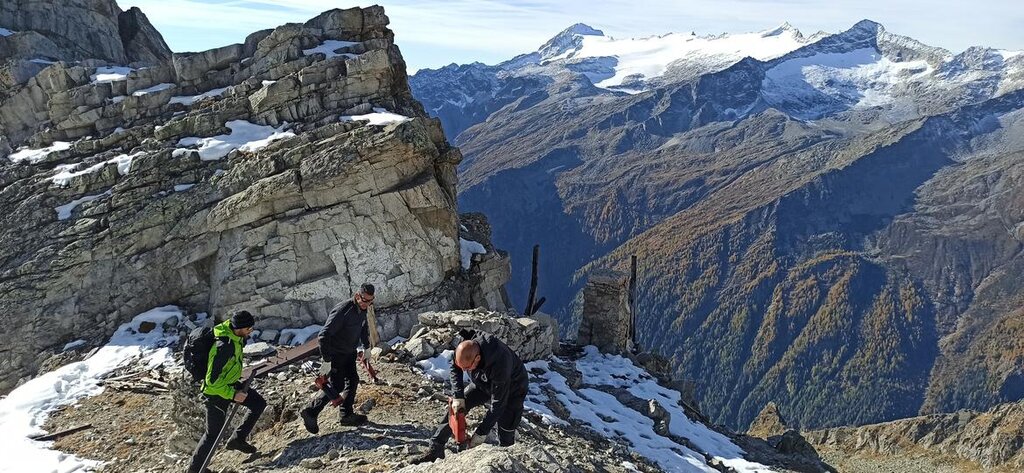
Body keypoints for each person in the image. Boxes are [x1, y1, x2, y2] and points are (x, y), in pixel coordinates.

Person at [410, 332, 529, 464]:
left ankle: (507, 459)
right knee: (456, 410)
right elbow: (455, 367)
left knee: (506, 424)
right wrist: (458, 396)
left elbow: (498, 404)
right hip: (482, 382)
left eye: (467, 368)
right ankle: (435, 449)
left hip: (513, 387)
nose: (465, 370)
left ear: (477, 359)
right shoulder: (465, 346)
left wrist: (481, 433)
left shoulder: (501, 361)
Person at [186, 310, 266, 473]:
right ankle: (194, 470)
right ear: (240, 328)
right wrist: (233, 395)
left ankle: (238, 439)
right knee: (213, 435)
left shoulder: (235, 337)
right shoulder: (224, 347)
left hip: (230, 385)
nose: (251, 331)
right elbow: (211, 382)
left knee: (258, 404)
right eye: (249, 329)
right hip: (216, 394)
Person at [300, 283, 376, 434]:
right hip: (336, 354)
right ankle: (310, 411)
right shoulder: (343, 310)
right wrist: (327, 360)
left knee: (353, 380)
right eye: (365, 300)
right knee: (337, 385)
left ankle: (346, 415)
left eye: (371, 301)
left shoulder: (362, 309)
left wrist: (366, 346)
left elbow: (363, 327)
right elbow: (323, 336)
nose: (367, 304)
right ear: (357, 296)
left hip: (349, 352)